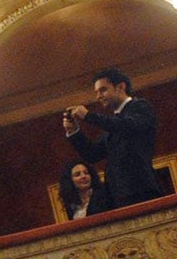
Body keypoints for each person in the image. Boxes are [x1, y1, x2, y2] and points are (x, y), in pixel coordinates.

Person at [64, 67, 162, 211]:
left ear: (120, 87)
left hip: (140, 191)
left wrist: (88, 116)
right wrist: (74, 132)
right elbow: (92, 154)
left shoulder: (140, 107)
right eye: (96, 92)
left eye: (103, 90)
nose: (98, 96)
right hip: (117, 197)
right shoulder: (113, 125)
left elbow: (127, 126)